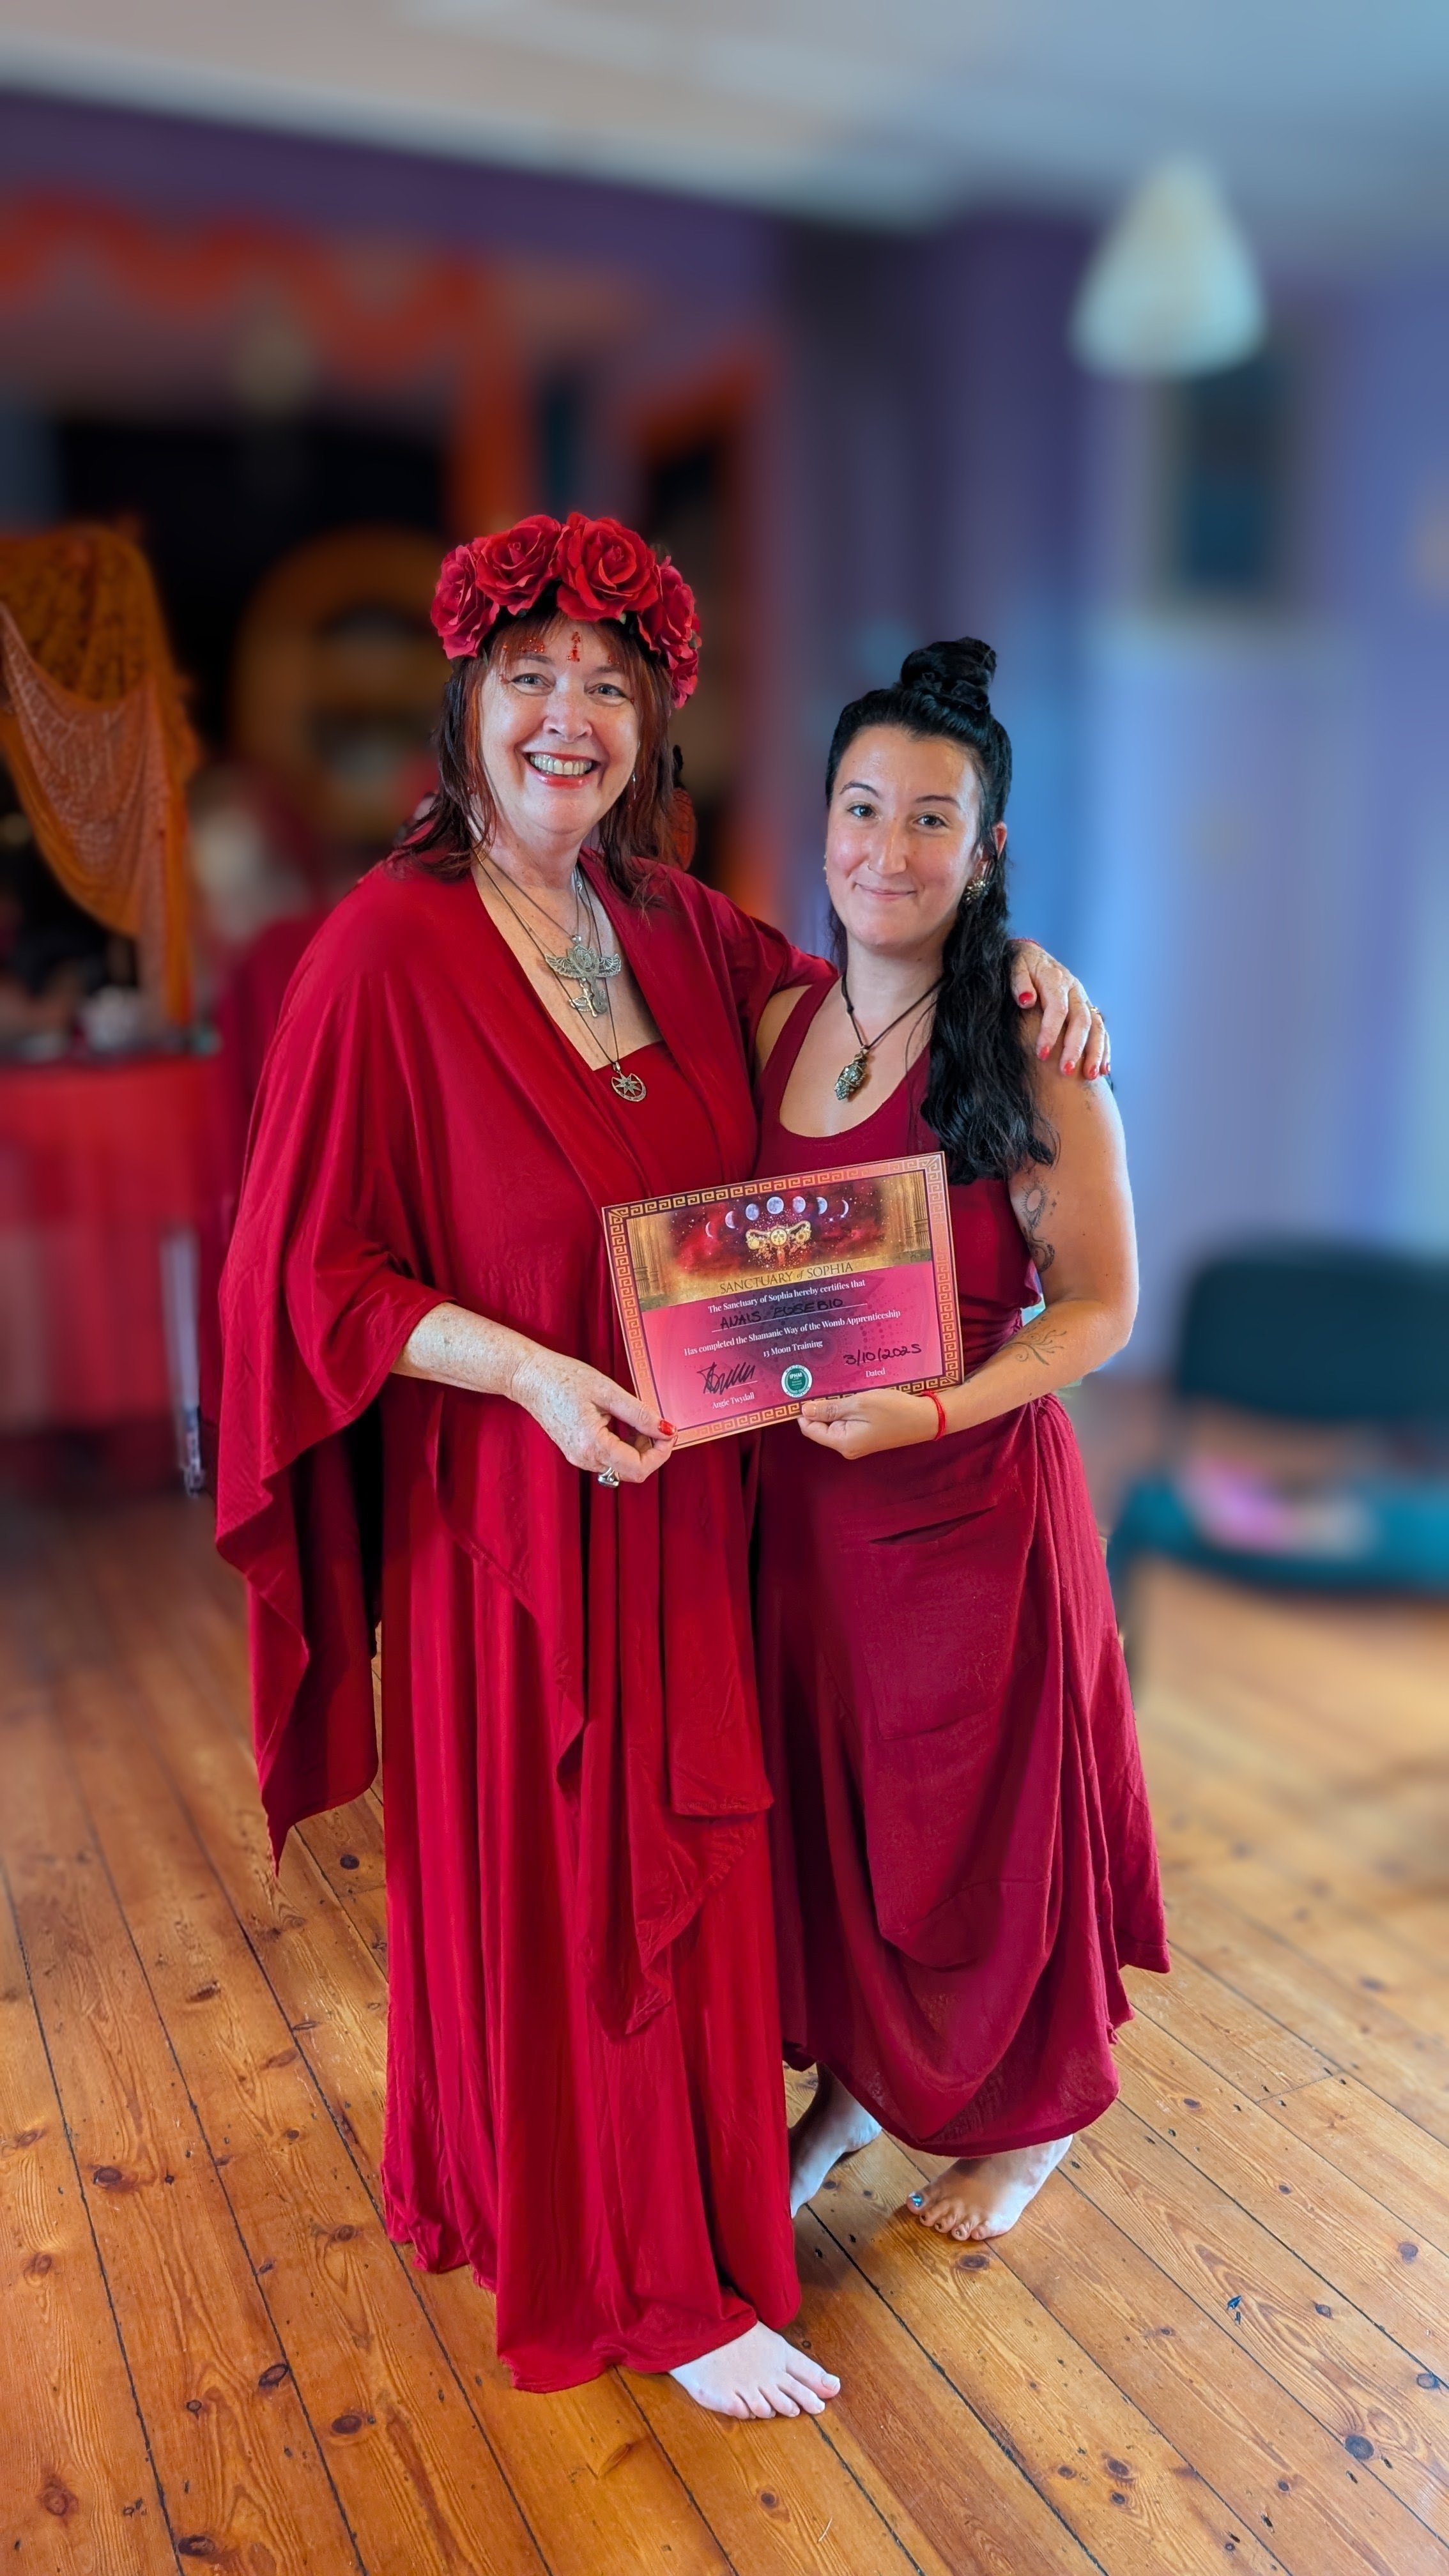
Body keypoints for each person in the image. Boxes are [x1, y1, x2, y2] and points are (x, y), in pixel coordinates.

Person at [215, 515, 1107, 2414]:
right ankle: (641, 2286)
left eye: (608, 688)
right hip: (525, 1519)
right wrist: (529, 1377)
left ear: (652, 728)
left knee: (691, 1884)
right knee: (567, 1890)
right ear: (468, 708)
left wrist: (1042, 988)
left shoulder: (680, 932)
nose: (568, 718)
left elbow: (884, 973)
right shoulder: (383, 950)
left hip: (697, 1512)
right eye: (531, 680)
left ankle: (704, 2224)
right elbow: (310, 1272)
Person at [752, 638, 1167, 2244]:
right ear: (822, 820)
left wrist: (928, 1409)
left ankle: (1031, 2123)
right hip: (802, 1518)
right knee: (836, 1814)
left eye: (934, 821)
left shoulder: (1030, 1049)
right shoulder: (772, 1020)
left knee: (982, 1829)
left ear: (987, 854)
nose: (887, 850)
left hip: (968, 1505)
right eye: (863, 807)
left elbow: (1101, 1312)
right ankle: (852, 2089)